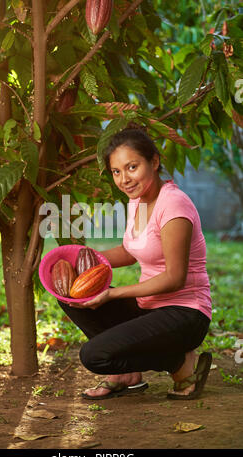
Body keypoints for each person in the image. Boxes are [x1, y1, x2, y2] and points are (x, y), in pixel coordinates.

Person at [57, 124, 212, 401]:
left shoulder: (174, 205)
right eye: (117, 171)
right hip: (149, 309)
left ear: (154, 161)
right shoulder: (138, 201)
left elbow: (174, 278)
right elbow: (132, 252)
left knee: (93, 356)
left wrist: (113, 294)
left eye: (132, 167)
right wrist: (85, 258)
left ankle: (179, 363)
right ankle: (127, 375)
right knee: (70, 295)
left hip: (185, 314)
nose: (124, 179)